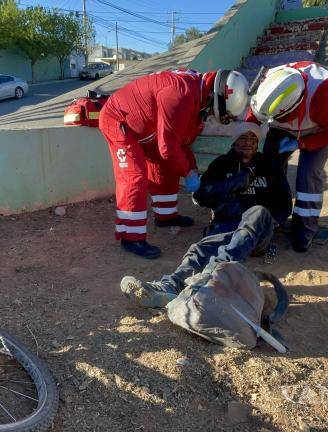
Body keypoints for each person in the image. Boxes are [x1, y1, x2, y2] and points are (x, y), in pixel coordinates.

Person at [120, 123, 292, 308]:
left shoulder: (269, 166)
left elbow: (284, 205)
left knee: (258, 212)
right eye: (243, 138)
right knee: (200, 249)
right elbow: (201, 196)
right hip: (227, 227)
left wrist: (271, 224)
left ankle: (212, 275)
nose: (248, 143)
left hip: (257, 234)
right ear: (234, 142)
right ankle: (169, 286)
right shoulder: (221, 164)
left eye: (253, 139)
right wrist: (231, 184)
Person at [99, 69, 250, 259]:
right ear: (216, 97)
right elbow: (168, 148)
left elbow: (181, 143)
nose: (212, 114)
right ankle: (131, 237)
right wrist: (188, 173)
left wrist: (191, 167)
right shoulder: (182, 95)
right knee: (134, 177)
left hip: (146, 128)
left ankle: (166, 216)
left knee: (166, 168)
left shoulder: (197, 95)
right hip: (119, 120)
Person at [249, 61, 328, 253]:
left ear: (297, 104)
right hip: (283, 129)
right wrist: (246, 137)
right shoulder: (267, 84)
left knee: (307, 175)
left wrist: (303, 143)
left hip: (320, 129)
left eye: (282, 117)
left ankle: (305, 231)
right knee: (270, 167)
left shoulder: (325, 93)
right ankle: (272, 218)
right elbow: (253, 119)